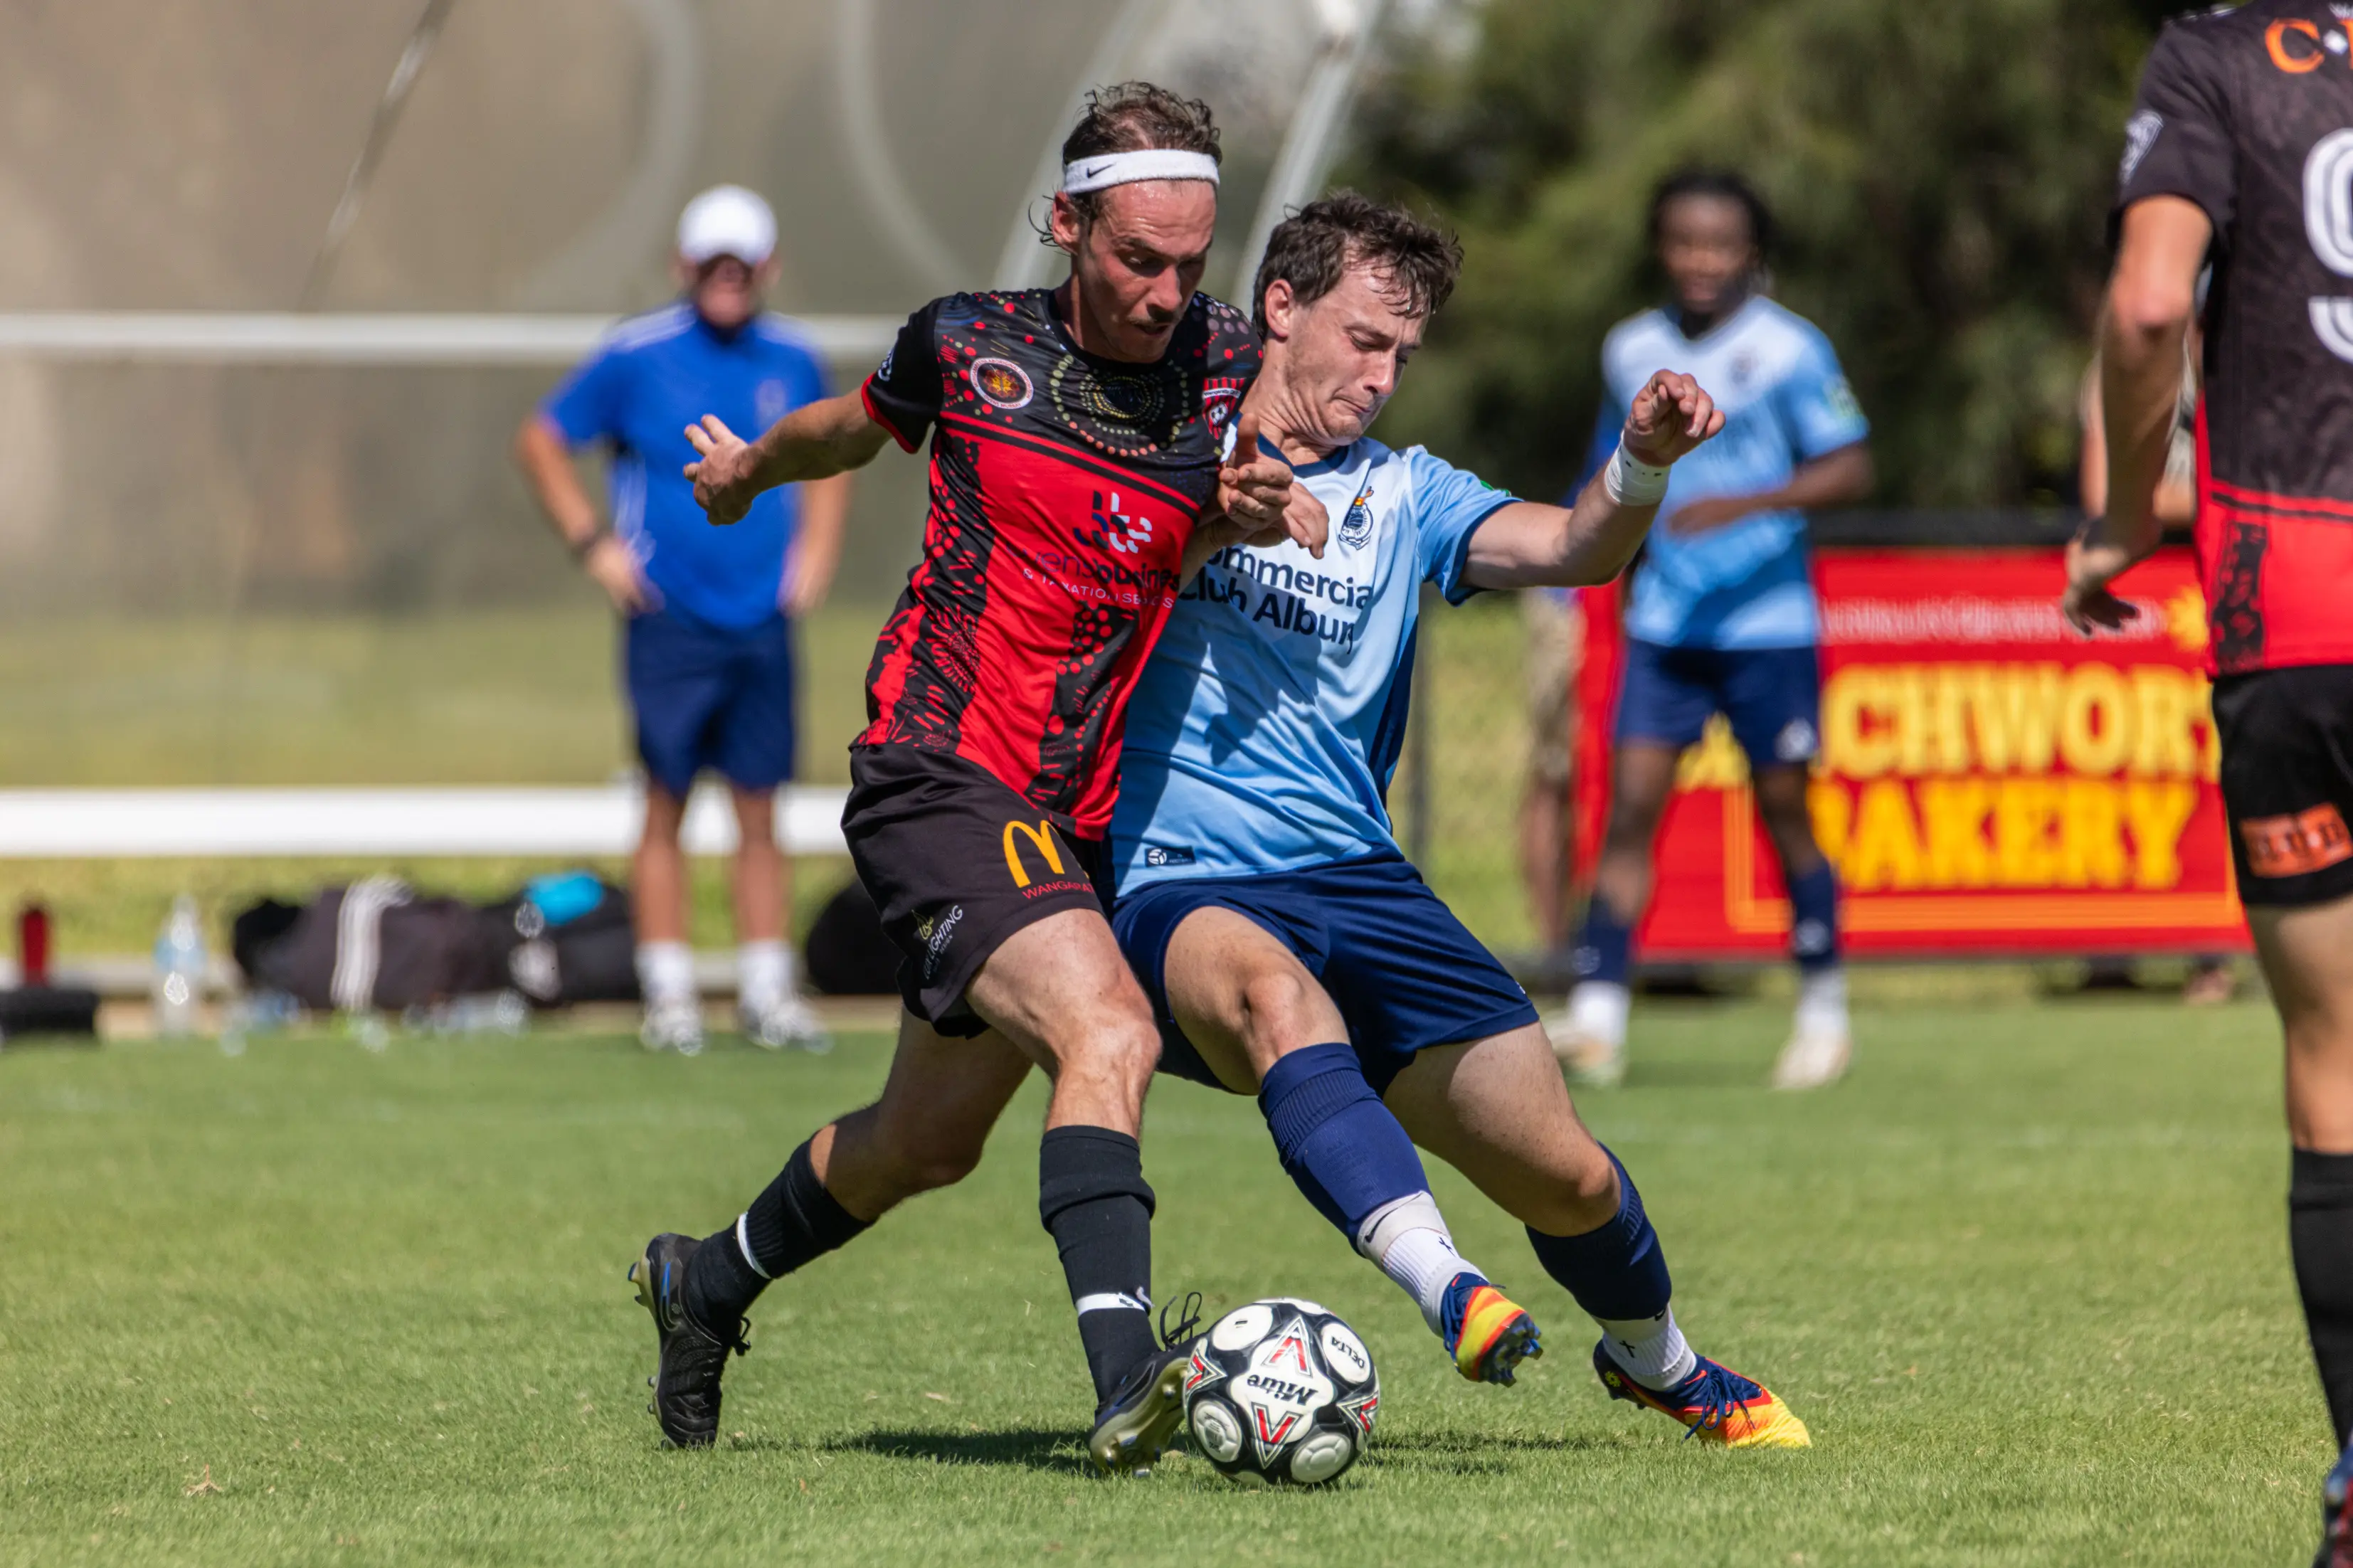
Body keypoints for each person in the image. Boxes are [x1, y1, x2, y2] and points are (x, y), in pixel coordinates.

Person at [620, 85, 1320, 1473]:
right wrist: (749, 470)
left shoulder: (1228, 361)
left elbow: (1249, 485)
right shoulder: (970, 345)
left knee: (921, 1144)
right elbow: (852, 424)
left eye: (1193, 261)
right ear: (1066, 225)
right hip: (936, 777)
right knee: (1108, 1034)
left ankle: (702, 1281)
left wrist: (1254, 502)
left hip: (1074, 816)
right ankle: (1130, 1380)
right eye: (1139, 261)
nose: (1169, 293)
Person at [1109, 193, 1807, 1446]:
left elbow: (1579, 545)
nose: (1379, 377)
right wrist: (1212, 512)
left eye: (1402, 356)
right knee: (1276, 1003)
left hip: (1361, 877)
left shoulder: (1403, 492)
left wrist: (1641, 458)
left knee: (1569, 1171)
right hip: (1184, 870)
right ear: (1280, 307)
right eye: (1362, 340)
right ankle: (1450, 1286)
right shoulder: (1160, 442)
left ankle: (1657, 1357)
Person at [2067, 8, 2353, 1558]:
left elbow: (2149, 304)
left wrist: (2120, 514)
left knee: (2335, 1057)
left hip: (2296, 607)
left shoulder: (2216, 57)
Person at [1548, 169, 1873, 1093]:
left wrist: (1743, 503)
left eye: (1720, 244)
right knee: (1631, 811)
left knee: (1782, 813)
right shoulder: (1630, 348)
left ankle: (1820, 1013)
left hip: (1767, 627)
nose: (1700, 260)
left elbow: (1848, 466)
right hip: (1666, 624)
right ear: (1660, 246)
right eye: (1684, 241)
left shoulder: (1788, 351)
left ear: (1750, 253)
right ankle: (1600, 1017)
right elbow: (1607, 461)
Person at [515, 185, 849, 1055]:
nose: (727, 278)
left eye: (742, 263)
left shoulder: (793, 358)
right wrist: (595, 546)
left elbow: (834, 454)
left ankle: (767, 991)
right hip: (669, 618)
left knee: (759, 806)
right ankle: (667, 991)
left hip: (760, 620)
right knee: (664, 801)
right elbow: (544, 437)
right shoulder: (637, 354)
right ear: (684, 266)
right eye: (713, 263)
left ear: (768, 268)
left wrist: (813, 557)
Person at [2076, 319, 2237, 1007]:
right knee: (2122, 770)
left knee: (2220, 774)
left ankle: (2213, 951)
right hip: (2141, 595)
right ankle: (2109, 950)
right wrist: (2242, 498)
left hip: (2228, 588)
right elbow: (2102, 491)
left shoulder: (2277, 362)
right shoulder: (2124, 369)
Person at [1519, 586, 1582, 958]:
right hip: (1571, 597)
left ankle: (1642, 947)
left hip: (1661, 604)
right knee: (1557, 775)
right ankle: (1559, 956)